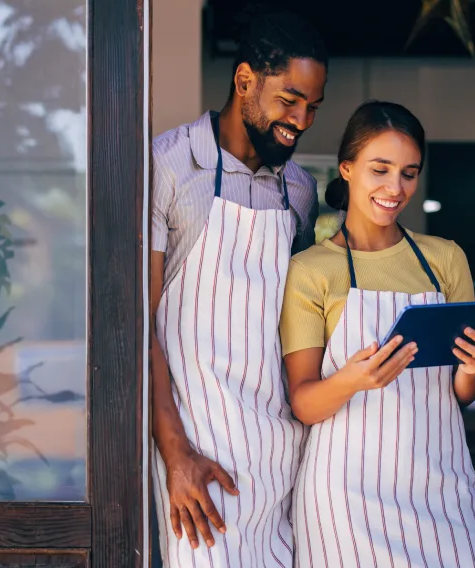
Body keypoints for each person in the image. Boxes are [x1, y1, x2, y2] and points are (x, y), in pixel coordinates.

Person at [280, 101, 475, 567]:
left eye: (408, 173)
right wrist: (353, 380)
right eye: (380, 169)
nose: (395, 188)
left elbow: (460, 393)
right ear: (347, 169)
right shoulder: (310, 271)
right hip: (346, 495)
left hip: (442, 486)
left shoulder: (445, 259)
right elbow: (303, 400)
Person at [148, 9, 326, 567]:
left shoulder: (299, 189)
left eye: (313, 107)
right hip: (199, 454)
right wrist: (175, 452)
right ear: (245, 81)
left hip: (286, 455)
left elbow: (297, 323)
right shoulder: (170, 165)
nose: (301, 120)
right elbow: (136, 322)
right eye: (290, 100)